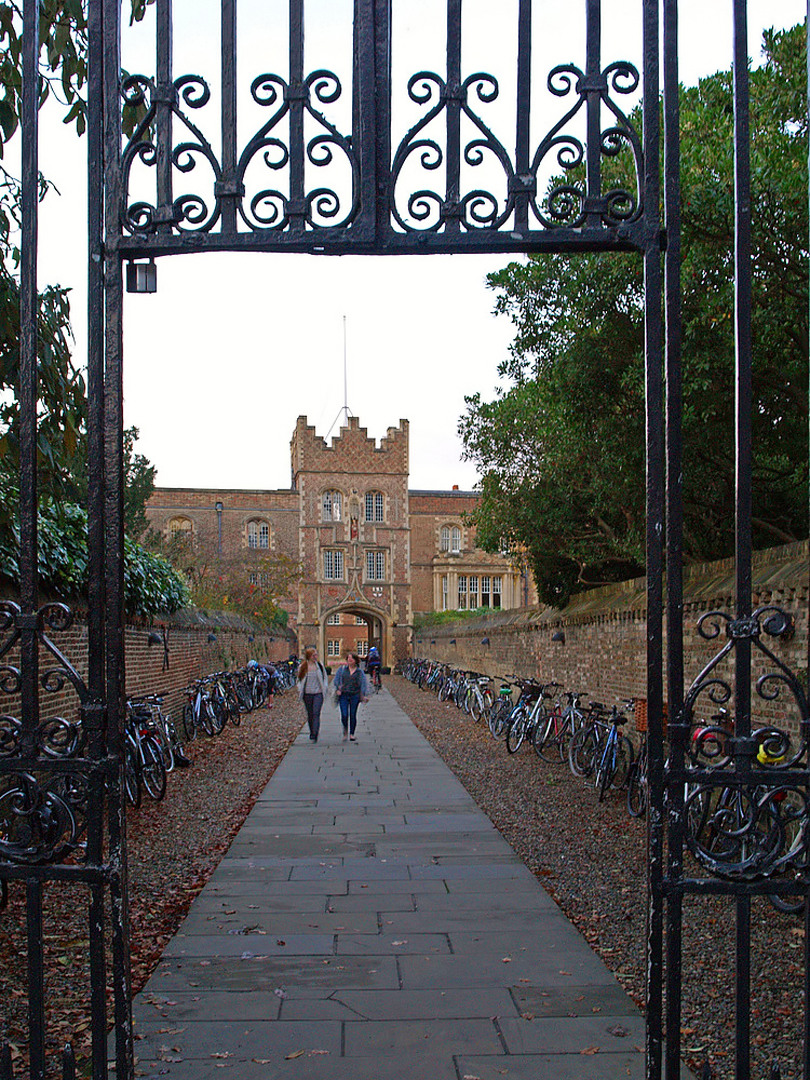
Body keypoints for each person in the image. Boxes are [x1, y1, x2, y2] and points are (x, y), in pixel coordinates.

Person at [333, 650, 369, 742]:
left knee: (353, 715)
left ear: (355, 660)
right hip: (344, 695)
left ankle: (352, 733)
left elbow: (363, 684)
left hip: (355, 695)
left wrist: (364, 695)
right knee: (344, 714)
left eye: (351, 658)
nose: (350, 660)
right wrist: (338, 689)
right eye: (348, 658)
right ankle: (345, 730)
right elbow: (336, 681)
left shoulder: (359, 672)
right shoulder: (342, 670)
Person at [297, 647, 328, 742]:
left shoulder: (319, 666)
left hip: (318, 693)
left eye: (316, 655)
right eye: (314, 655)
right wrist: (299, 689)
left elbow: (325, 678)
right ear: (309, 656)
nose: (316, 657)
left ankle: (315, 733)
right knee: (310, 714)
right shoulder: (303, 667)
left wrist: (325, 688)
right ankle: (312, 731)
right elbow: (299, 680)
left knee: (316, 713)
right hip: (307, 694)